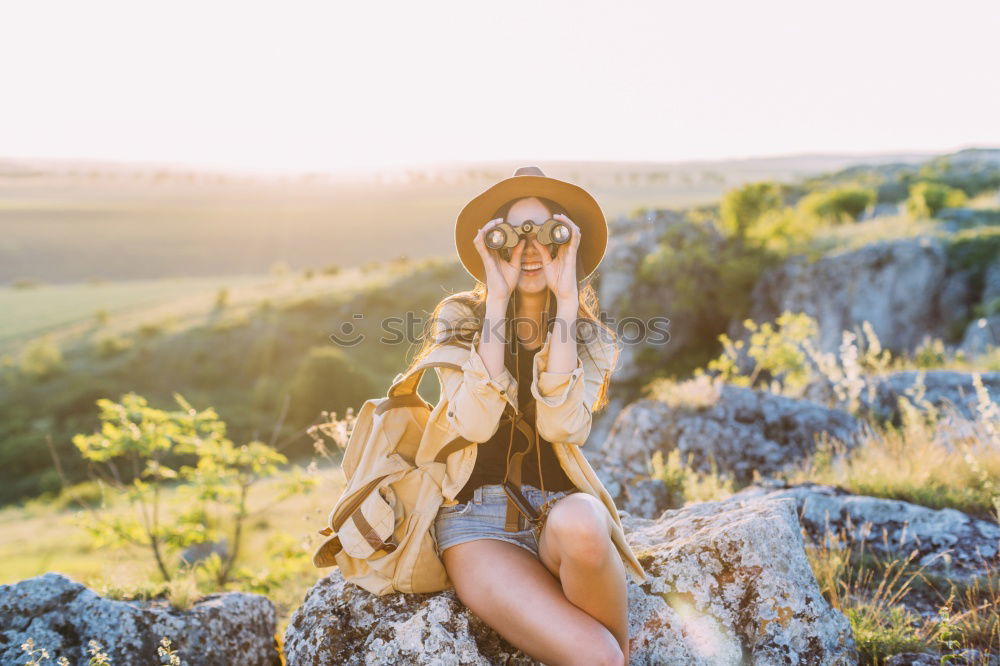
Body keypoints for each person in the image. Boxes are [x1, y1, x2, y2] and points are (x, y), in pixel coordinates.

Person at [405, 166, 645, 666]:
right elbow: (473, 424)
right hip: (477, 525)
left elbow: (562, 426)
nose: (530, 249)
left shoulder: (591, 338)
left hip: (560, 516)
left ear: (567, 245)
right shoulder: (460, 318)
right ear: (492, 246)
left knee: (583, 521)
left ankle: (619, 653)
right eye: (513, 236)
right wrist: (495, 301)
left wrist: (563, 302)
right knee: (598, 657)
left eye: (547, 234)